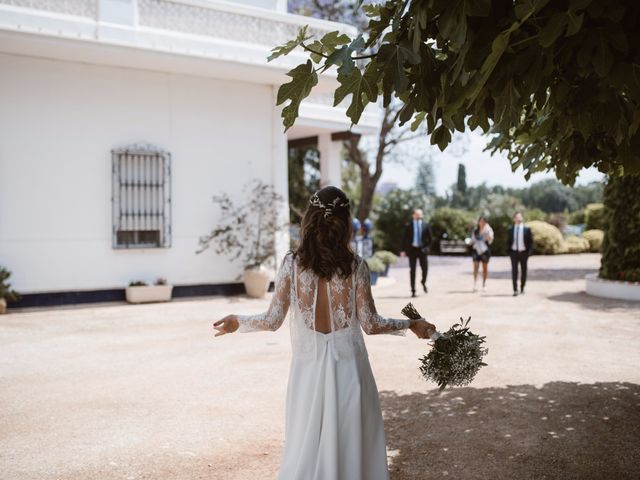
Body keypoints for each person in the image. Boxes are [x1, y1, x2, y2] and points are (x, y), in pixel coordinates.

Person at [213, 186, 436, 480]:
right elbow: (370, 323)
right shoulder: (356, 267)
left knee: (306, 449)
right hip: (349, 372)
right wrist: (410, 323)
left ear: (309, 219)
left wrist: (238, 321)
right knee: (351, 448)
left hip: (308, 374)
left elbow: (272, 320)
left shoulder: (292, 264)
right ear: (346, 222)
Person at [400, 209, 433, 297]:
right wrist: (402, 250)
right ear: (413, 215)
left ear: (421, 215)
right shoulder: (408, 226)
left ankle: (423, 282)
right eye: (416, 214)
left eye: (420, 215)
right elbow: (403, 239)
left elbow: (430, 240)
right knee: (412, 271)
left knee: (425, 269)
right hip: (412, 250)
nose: (418, 216)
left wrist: (426, 248)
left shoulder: (426, 225)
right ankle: (413, 290)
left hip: (422, 250)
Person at [507, 211, 533, 296]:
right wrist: (509, 252)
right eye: (517, 217)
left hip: (524, 252)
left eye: (520, 217)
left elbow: (530, 242)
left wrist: (528, 252)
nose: (518, 218)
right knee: (514, 271)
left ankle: (522, 287)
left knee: (524, 270)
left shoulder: (526, 229)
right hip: (514, 252)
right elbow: (508, 241)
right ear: (514, 219)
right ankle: (515, 289)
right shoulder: (510, 229)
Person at [470, 216, 494, 292]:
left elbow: (491, 238)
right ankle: (475, 284)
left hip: (485, 251)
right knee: (476, 267)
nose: (482, 223)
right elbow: (472, 240)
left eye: (483, 221)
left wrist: (487, 230)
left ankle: (484, 283)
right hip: (476, 250)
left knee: (485, 268)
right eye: (480, 221)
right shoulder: (475, 231)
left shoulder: (488, 230)